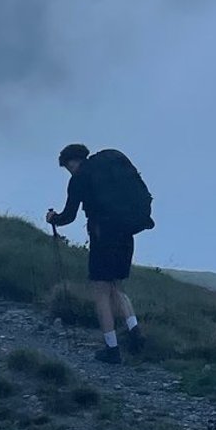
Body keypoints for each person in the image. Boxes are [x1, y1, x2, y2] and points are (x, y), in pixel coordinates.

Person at [47, 142, 154, 364]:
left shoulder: (79, 177)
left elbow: (69, 215)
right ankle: (135, 333)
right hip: (127, 232)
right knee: (116, 285)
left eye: (67, 167)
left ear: (72, 162)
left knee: (100, 290)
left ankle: (111, 348)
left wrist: (53, 218)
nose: (69, 171)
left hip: (103, 236)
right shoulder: (111, 163)